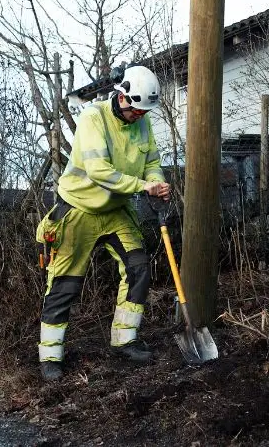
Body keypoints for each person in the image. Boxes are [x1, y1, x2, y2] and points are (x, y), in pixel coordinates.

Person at [36, 65, 170, 381]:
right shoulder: (93, 117)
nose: (140, 115)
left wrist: (156, 180)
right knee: (66, 283)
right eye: (136, 108)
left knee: (138, 268)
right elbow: (99, 171)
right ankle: (50, 357)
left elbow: (151, 162)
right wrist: (142, 186)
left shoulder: (143, 121)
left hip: (115, 210)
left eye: (144, 111)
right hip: (78, 209)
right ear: (122, 96)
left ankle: (125, 340)